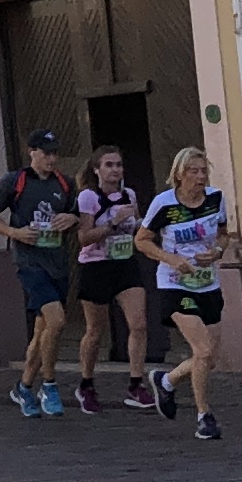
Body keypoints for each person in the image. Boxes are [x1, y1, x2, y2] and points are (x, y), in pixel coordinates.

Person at [141, 148, 235, 439]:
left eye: (202, 171)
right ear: (179, 175)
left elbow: (223, 234)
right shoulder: (164, 204)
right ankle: (204, 416)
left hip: (207, 283)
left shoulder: (215, 198)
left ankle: (166, 380)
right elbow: (142, 241)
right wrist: (171, 259)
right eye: (193, 171)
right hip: (175, 283)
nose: (199, 177)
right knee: (203, 350)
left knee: (210, 358)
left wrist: (217, 251)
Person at [0, 132, 76, 418]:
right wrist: (14, 232)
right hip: (29, 263)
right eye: (46, 153)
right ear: (32, 152)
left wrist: (71, 218)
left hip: (57, 263)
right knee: (57, 321)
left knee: (42, 332)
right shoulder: (15, 181)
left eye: (55, 153)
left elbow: (77, 214)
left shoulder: (65, 183)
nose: (51, 159)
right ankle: (49, 385)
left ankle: (24, 386)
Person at [69, 142, 141, 416]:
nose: (115, 170)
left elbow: (135, 226)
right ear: (97, 169)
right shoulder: (89, 197)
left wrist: (146, 225)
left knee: (139, 323)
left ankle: (136, 384)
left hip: (125, 263)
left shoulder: (129, 194)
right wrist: (112, 223)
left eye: (118, 165)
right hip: (96, 265)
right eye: (109, 165)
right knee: (95, 330)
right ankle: (86, 384)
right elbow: (84, 237)